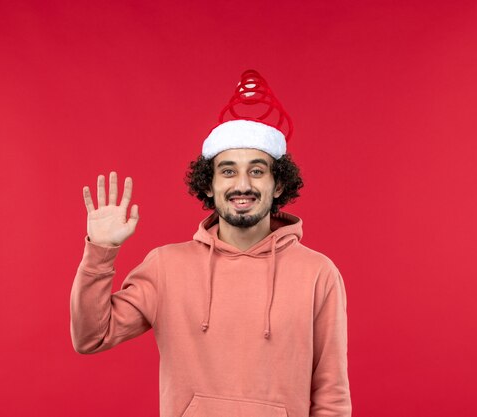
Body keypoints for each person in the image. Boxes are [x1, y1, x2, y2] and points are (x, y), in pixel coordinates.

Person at [70, 70, 352, 417]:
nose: (243, 184)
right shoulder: (165, 266)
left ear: (278, 185)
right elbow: (90, 337)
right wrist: (100, 253)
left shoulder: (318, 273)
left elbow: (331, 395)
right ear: (208, 184)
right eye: (228, 171)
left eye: (258, 170)